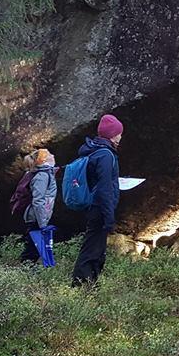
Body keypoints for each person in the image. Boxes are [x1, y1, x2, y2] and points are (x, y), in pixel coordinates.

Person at [71, 114, 123, 286]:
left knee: (96, 246)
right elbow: (104, 188)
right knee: (93, 247)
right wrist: (109, 216)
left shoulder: (94, 151)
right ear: (112, 135)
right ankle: (81, 284)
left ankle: (90, 282)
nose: (120, 136)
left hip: (94, 205)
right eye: (119, 133)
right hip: (100, 207)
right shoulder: (106, 155)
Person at [19, 148, 58, 263]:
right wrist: (43, 224)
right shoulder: (42, 176)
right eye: (50, 154)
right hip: (36, 217)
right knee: (32, 247)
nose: (53, 155)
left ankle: (29, 269)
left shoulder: (47, 174)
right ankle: (26, 270)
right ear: (44, 160)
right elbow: (38, 201)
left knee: (34, 246)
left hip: (39, 217)